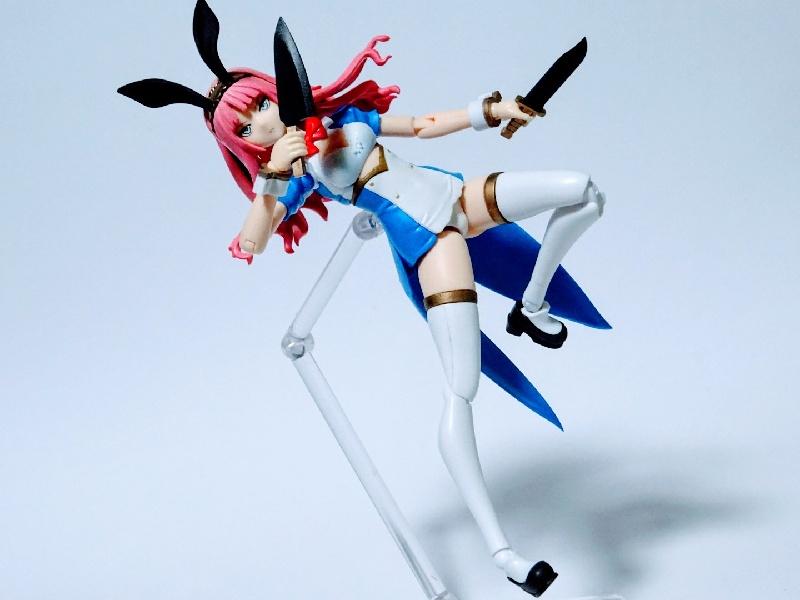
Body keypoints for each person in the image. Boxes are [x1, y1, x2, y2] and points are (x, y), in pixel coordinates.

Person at [118, 1, 610, 595]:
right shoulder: (296, 176)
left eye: (261, 106)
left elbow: (422, 124)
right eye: (244, 129)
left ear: (275, 92)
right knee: (461, 391)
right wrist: (273, 177)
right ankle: (502, 552)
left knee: (583, 192)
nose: (261, 124)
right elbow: (252, 240)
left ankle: (531, 306)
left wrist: (491, 111)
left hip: (459, 197)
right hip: (433, 246)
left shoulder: (347, 119)